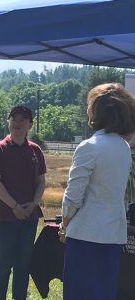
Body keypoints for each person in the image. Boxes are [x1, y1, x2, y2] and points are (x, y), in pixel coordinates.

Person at [59, 83, 135, 300]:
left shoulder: (89, 146)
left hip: (85, 236)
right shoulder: (123, 148)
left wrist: (64, 225)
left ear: (96, 111)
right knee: (104, 293)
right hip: (113, 235)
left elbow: (73, 197)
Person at [0, 105, 46, 300]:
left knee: (23, 265)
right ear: (8, 121)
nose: (17, 123)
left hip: (29, 218)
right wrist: (15, 207)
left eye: (22, 119)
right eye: (14, 119)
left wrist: (34, 203)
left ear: (30, 124)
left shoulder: (36, 150)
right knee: (3, 265)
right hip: (4, 217)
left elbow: (40, 181)